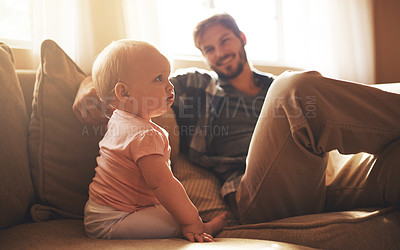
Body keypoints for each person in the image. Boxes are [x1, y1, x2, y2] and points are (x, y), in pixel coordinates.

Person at [74, 13, 400, 225]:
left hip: (318, 178)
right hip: (255, 191)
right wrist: (88, 84)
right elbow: (125, 75)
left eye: (224, 41)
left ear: (242, 38)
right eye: (208, 49)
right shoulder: (196, 85)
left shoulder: (275, 90)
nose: (218, 53)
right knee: (296, 86)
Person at [82, 39, 226, 241]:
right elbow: (162, 184)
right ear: (124, 92)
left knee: (174, 206)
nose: (170, 86)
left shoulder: (119, 118)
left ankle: (198, 222)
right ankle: (201, 227)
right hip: (116, 220)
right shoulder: (144, 135)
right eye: (159, 79)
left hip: (99, 212)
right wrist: (190, 221)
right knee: (177, 218)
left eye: (168, 77)